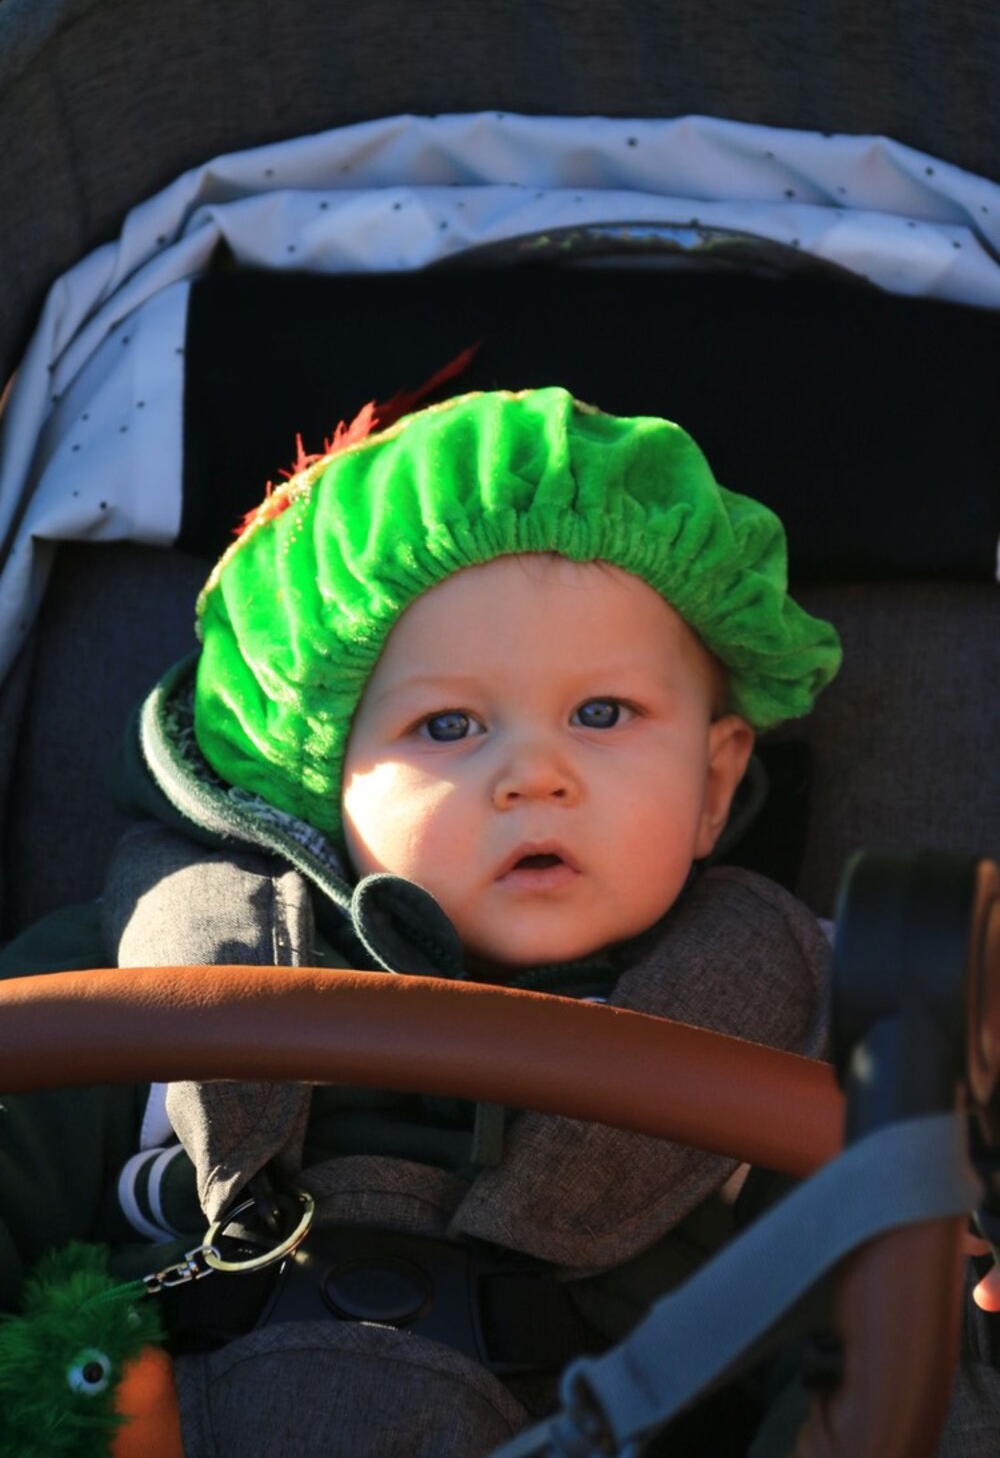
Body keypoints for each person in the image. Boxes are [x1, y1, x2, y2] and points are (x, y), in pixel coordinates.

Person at [0, 387, 842, 1456]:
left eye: (603, 713)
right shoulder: (144, 978)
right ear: (319, 777)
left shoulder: (807, 1024)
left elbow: (884, 1345)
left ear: (714, 782)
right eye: (448, 725)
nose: (535, 774)